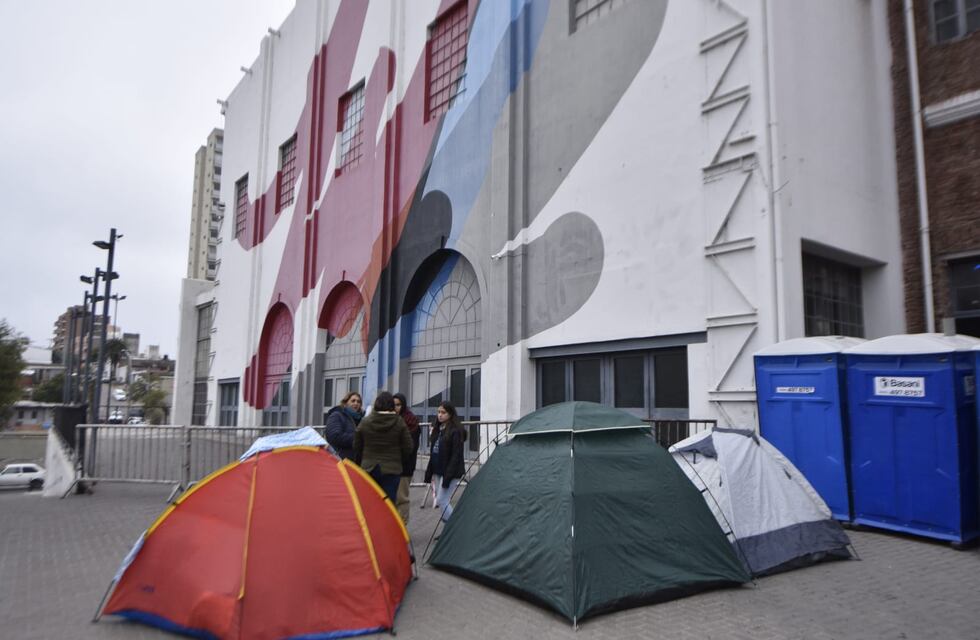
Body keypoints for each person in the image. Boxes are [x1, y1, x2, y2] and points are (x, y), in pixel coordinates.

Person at [353, 391, 414, 503]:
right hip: (392, 468)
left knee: (370, 502)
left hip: (369, 468)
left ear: (376, 404)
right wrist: (398, 458)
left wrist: (364, 457)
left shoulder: (365, 422)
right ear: (391, 405)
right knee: (389, 504)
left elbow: (356, 445)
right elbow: (409, 447)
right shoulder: (399, 422)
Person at [424, 401, 467, 521]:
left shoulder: (455, 431)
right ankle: (447, 530)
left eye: (443, 412)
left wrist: (448, 477)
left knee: (442, 500)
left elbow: (456, 455)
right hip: (439, 470)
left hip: (450, 472)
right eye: (438, 412)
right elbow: (434, 453)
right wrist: (429, 472)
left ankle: (455, 529)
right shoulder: (438, 429)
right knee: (442, 500)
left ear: (450, 414)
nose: (440, 415)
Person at [393, 393, 420, 522]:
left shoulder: (411, 421)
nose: (395, 408)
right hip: (392, 466)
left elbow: (410, 447)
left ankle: (402, 527)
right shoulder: (391, 420)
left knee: (401, 497)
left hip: (405, 466)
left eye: (398, 405)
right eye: (393, 405)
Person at [324, 392, 362, 460]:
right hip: (340, 459)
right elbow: (334, 436)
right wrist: (357, 438)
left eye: (358, 401)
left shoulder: (360, 419)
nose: (356, 403)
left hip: (355, 463)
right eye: (353, 401)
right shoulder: (337, 415)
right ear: (345, 403)